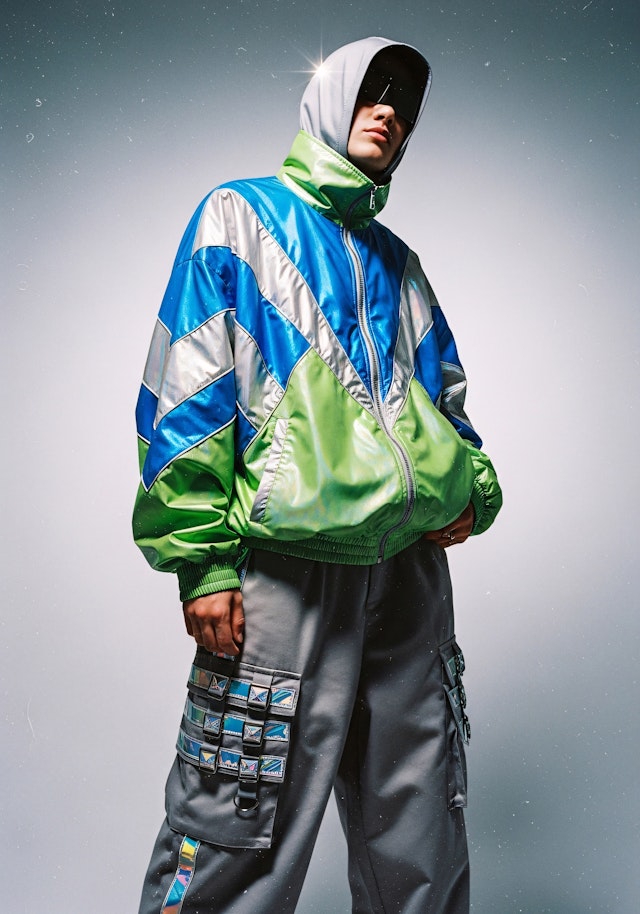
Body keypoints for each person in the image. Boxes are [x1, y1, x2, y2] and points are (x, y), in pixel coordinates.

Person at [133, 36, 502, 914]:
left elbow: (448, 405)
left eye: (404, 102)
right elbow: (188, 393)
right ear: (331, 97)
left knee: (421, 835)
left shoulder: (399, 263)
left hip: (409, 577)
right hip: (286, 577)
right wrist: (203, 563)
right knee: (232, 831)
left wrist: (473, 490)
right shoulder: (239, 219)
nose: (389, 111)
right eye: (373, 90)